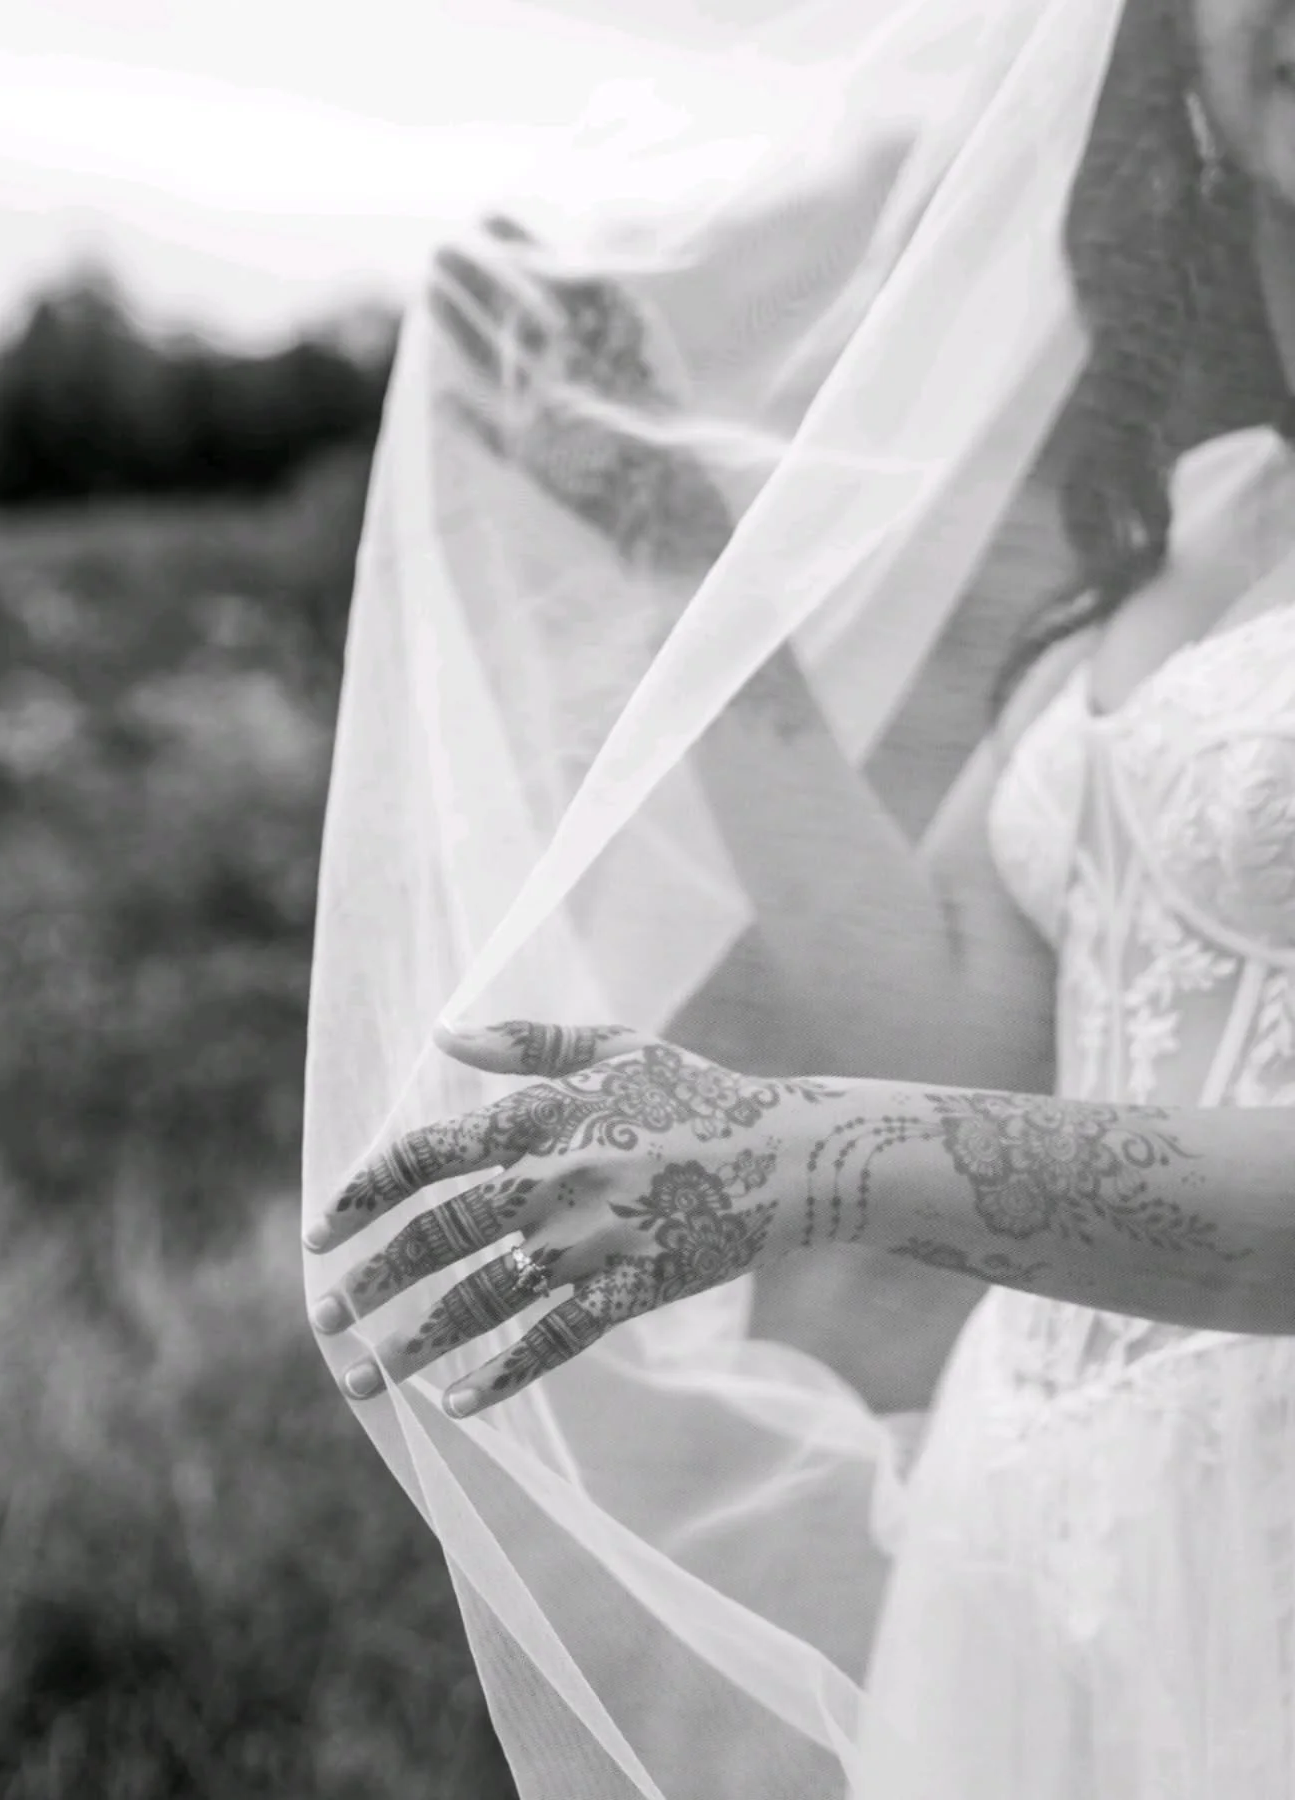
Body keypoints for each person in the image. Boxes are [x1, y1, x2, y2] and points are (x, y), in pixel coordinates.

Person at [303, 0, 1295, 1792]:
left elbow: (889, 1113)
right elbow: (949, 1015)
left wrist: (818, 1158)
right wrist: (675, 537)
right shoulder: (1212, 515)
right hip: (1043, 1550)